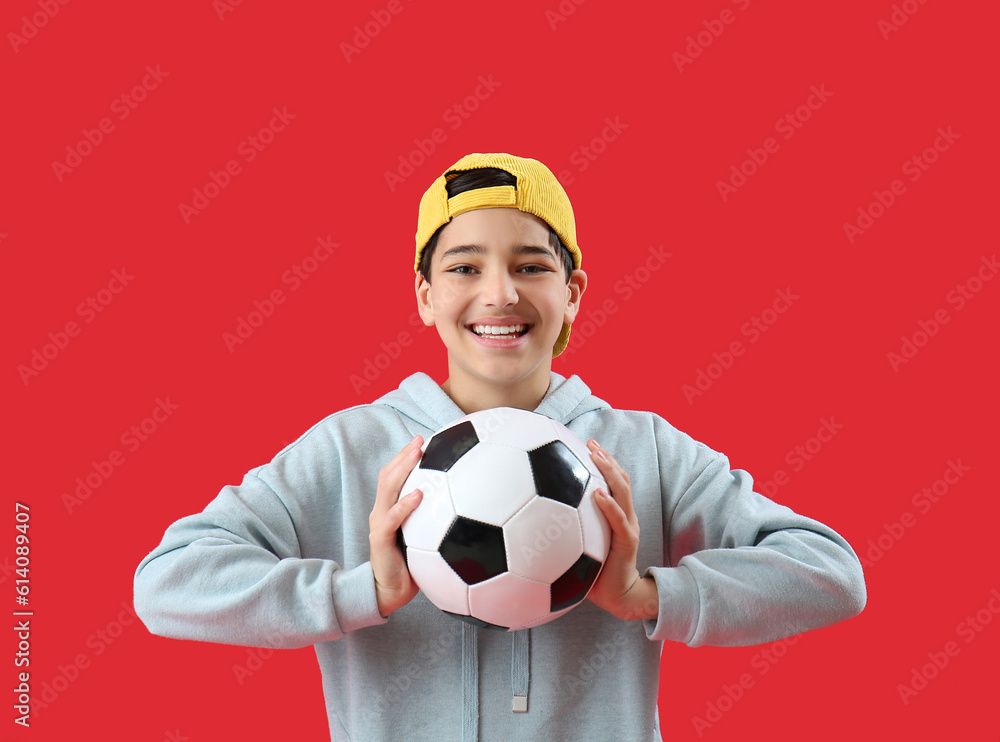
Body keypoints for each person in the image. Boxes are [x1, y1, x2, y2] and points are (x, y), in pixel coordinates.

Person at [134, 152, 866, 741]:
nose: (500, 294)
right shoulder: (348, 451)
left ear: (573, 292)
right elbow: (167, 583)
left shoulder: (640, 451)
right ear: (423, 294)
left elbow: (831, 574)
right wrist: (363, 593)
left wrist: (646, 596)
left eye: (530, 266)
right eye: (463, 267)